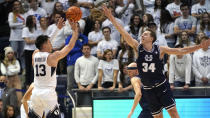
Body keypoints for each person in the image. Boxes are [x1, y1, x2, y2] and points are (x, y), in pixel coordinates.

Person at [102, 5, 210, 118]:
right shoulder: (137, 47)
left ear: (152, 38)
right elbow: (123, 32)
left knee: (173, 112)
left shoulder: (160, 49)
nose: (142, 35)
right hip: (148, 90)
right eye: (142, 34)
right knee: (158, 116)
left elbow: (181, 50)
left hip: (161, 86)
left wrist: (199, 46)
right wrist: (111, 18)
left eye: (145, 34)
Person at [28, 18, 79, 118]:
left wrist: (57, 29)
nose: (51, 43)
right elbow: (70, 46)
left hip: (36, 93)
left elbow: (42, 45)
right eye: (49, 42)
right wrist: (75, 31)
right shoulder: (53, 57)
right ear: (45, 44)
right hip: (48, 94)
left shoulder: (35, 54)